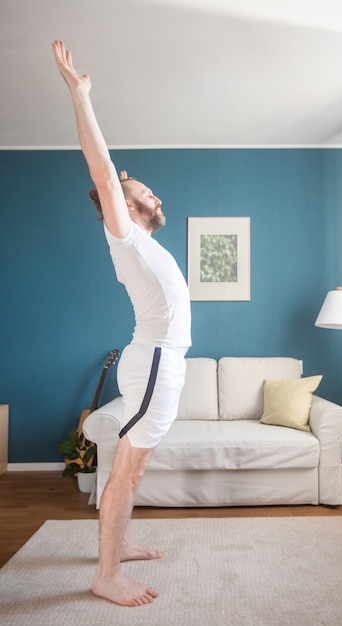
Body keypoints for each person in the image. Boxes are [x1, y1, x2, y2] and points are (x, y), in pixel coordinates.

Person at [52, 40, 191, 607]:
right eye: (141, 192)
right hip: (154, 361)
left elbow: (117, 180)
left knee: (137, 468)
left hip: (164, 363)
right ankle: (105, 574)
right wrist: (81, 96)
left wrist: (125, 183)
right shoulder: (126, 237)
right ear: (125, 209)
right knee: (127, 469)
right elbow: (104, 173)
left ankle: (121, 543)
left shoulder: (148, 247)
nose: (152, 193)